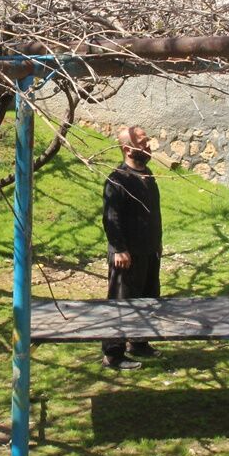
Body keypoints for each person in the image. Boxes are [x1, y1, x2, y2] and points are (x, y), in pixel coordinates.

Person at [101, 125, 162, 371]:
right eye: (143, 142)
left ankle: (138, 342)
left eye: (147, 141)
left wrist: (157, 243)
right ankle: (112, 354)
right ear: (128, 149)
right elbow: (111, 217)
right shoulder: (118, 179)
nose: (148, 145)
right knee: (121, 304)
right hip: (126, 255)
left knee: (148, 299)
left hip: (149, 251)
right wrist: (118, 248)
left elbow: (152, 214)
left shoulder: (148, 175)